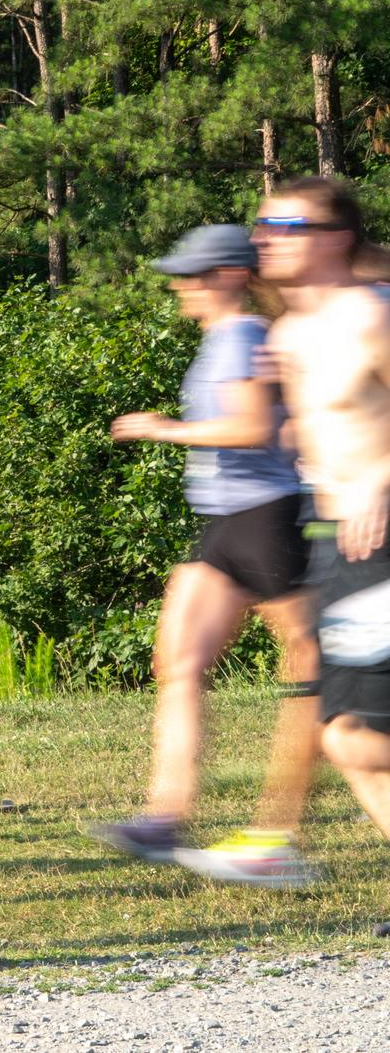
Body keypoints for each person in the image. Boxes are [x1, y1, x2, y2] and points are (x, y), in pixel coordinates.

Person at [89, 226, 318, 886]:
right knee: (178, 660)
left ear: (227, 275)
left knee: (313, 673)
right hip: (223, 522)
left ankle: (280, 833)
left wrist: (163, 429)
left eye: (191, 274)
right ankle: (165, 817)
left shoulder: (244, 334)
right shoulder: (226, 338)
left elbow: (251, 429)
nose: (179, 284)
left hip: (265, 518)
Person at [252, 178, 390, 921]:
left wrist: (380, 483)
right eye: (262, 223)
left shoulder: (372, 317)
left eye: (287, 224)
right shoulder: (287, 335)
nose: (267, 236)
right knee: (347, 738)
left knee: (362, 737)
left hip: (385, 537)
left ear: (335, 237)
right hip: (339, 546)